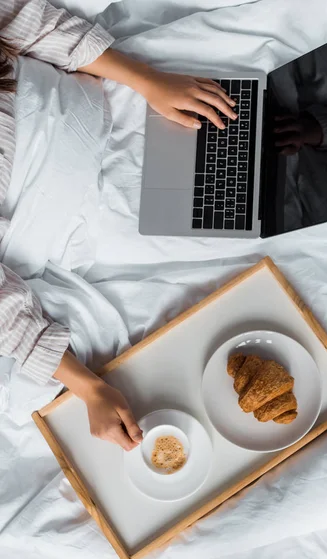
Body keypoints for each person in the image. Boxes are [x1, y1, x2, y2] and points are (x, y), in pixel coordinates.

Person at [0, 0, 236, 451]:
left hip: (107, 90)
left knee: (257, 118)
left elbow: (31, 22)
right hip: (81, 213)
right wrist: (89, 389)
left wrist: (149, 82)